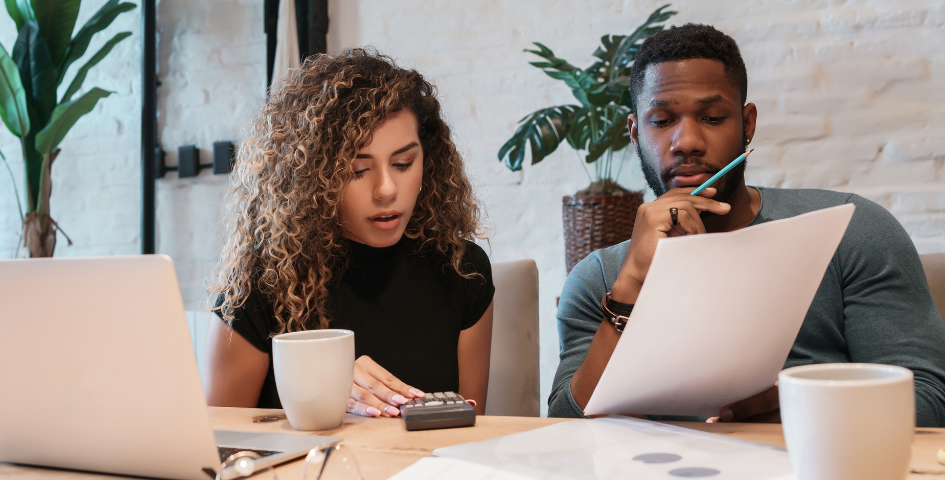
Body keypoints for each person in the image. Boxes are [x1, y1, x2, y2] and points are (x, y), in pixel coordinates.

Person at [549, 23, 945, 427]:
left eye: (713, 117)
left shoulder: (852, 230)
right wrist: (632, 281)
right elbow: (565, 429)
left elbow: (930, 402)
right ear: (635, 133)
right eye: (662, 120)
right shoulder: (599, 279)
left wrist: (802, 413)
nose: (686, 141)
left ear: (747, 123)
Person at [205, 49, 495, 417]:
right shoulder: (260, 284)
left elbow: (471, 432)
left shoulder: (461, 270)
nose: (387, 189)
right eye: (358, 170)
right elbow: (220, 447)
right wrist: (317, 391)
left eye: (404, 163)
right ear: (312, 178)